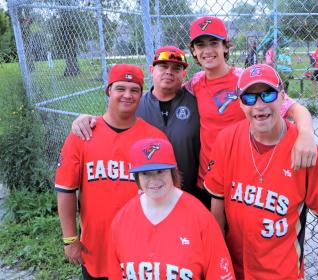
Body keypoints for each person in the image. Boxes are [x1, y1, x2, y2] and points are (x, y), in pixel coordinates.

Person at [204, 64, 318, 279]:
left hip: (282, 272)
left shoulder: (307, 153)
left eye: (268, 94)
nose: (259, 106)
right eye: (249, 98)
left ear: (283, 97)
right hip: (235, 268)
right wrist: (216, 258)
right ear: (241, 104)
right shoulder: (227, 140)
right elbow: (217, 204)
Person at [55, 64, 167, 279]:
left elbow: (166, 197)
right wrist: (70, 239)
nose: (127, 95)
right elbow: (66, 190)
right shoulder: (83, 134)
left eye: (134, 90)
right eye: (120, 88)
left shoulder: (154, 139)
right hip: (96, 246)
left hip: (141, 247)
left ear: (141, 94)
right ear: (108, 90)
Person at [185, 16, 317, 198]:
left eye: (214, 43)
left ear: (225, 46)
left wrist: (306, 135)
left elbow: (295, 108)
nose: (207, 50)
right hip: (207, 179)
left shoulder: (245, 80)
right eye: (200, 45)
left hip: (243, 182)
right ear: (193, 51)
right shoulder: (195, 82)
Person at [71, 46, 202, 204]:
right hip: (144, 194)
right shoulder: (134, 103)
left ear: (184, 74)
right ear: (152, 70)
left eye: (176, 68)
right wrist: (86, 119)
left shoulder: (197, 102)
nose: (169, 71)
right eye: (163, 66)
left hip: (190, 193)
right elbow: (110, 122)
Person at [107, 138, 235, 280]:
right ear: (136, 176)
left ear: (173, 171)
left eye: (160, 171)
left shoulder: (200, 218)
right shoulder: (122, 221)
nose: (154, 180)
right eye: (145, 173)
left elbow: (220, 274)